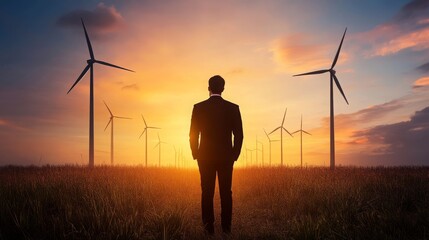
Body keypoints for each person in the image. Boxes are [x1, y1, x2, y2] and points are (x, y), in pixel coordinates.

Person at [189, 75, 243, 235]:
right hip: (226, 157)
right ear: (223, 88)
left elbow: (193, 134)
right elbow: (239, 135)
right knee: (226, 192)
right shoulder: (233, 108)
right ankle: (226, 228)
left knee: (207, 192)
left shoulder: (199, 107)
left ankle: (208, 229)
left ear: (208, 88)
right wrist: (234, 154)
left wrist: (195, 153)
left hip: (205, 157)